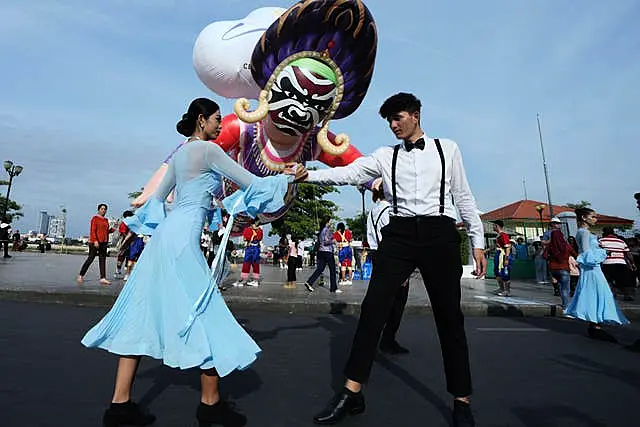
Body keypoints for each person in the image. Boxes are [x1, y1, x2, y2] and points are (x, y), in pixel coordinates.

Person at [81, 98, 290, 427]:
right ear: (202, 120)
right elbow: (252, 182)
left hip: (164, 238)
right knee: (205, 313)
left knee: (140, 312)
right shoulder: (209, 151)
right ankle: (210, 403)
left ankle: (119, 405)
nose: (221, 125)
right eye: (217, 119)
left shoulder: (179, 154)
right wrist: (288, 177)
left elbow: (157, 200)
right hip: (183, 243)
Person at [286, 92, 486, 427]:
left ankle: (461, 400)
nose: (393, 126)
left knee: (449, 318)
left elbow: (463, 195)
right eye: (389, 121)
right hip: (400, 235)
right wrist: (309, 175)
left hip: (440, 233)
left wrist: (477, 241)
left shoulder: (447, 149)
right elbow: (347, 174)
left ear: (416, 115)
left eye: (398, 118)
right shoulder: (383, 156)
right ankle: (352, 393)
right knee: (372, 310)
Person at [563, 208, 629, 342]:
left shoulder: (583, 232)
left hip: (593, 268)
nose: (595, 219)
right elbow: (587, 255)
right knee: (597, 294)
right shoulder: (584, 233)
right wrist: (603, 253)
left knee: (596, 294)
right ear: (584, 217)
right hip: (592, 269)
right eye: (593, 217)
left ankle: (595, 324)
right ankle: (595, 325)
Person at [366, 179, 410, 354]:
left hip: (376, 255)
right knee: (397, 302)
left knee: (380, 299)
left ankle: (373, 337)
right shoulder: (389, 212)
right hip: (391, 258)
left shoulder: (372, 212)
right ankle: (387, 339)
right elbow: (393, 240)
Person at [77, 204, 114, 285]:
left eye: (105, 209)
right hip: (95, 242)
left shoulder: (106, 220)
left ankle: (103, 278)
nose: (103, 210)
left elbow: (106, 231)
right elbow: (93, 230)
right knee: (90, 258)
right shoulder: (95, 218)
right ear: (98, 210)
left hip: (104, 242)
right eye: (102, 209)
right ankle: (81, 275)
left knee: (102, 259)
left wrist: (113, 229)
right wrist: (95, 241)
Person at [303, 216, 340, 293]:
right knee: (332, 270)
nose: (331, 223)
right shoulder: (327, 230)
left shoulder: (321, 231)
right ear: (327, 222)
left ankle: (310, 282)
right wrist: (334, 241)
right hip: (328, 252)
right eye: (330, 221)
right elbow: (326, 242)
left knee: (320, 269)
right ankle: (334, 288)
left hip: (321, 252)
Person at [599, 227, 636, 301]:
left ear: (604, 233)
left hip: (607, 263)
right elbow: (628, 254)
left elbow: (598, 252)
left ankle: (611, 294)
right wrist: (632, 263)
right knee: (624, 280)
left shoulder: (601, 241)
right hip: (621, 263)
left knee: (608, 279)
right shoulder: (621, 241)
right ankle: (627, 295)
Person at [547, 226, 577, 309]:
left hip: (553, 269)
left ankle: (564, 303)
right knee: (565, 289)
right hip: (564, 269)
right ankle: (566, 305)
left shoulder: (550, 246)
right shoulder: (566, 246)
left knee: (560, 287)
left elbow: (545, 256)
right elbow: (575, 254)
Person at [233, 218, 263, 287]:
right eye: (258, 221)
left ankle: (253, 280)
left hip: (253, 248)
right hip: (252, 248)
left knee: (254, 263)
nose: (259, 222)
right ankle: (245, 279)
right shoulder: (254, 230)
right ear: (255, 222)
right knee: (248, 263)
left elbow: (245, 238)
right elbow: (246, 238)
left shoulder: (256, 230)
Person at [491, 220, 512, 297]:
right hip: (498, 255)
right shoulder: (498, 236)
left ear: (497, 226)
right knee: (497, 272)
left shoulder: (504, 235)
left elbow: (508, 247)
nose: (492, 227)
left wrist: (506, 259)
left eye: (493, 225)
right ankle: (501, 288)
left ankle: (507, 290)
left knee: (505, 273)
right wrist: (486, 251)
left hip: (503, 256)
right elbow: (495, 246)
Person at [115, 211, 135, 278]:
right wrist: (127, 237)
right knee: (123, 256)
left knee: (126, 256)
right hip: (125, 242)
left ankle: (124, 271)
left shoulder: (126, 223)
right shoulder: (124, 223)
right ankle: (119, 269)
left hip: (129, 242)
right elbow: (123, 233)